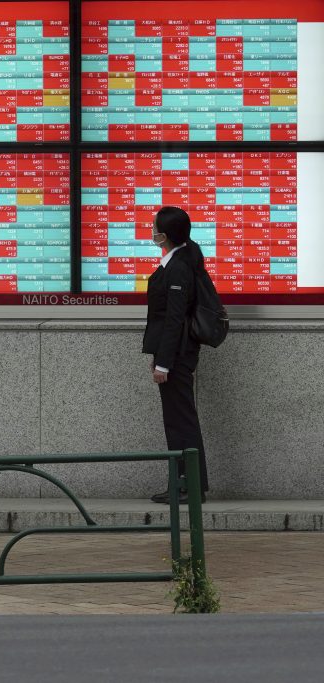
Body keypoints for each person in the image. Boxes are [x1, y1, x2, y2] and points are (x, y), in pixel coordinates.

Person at [142, 206, 209, 504]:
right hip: (172, 353)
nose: (151, 229)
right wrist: (158, 355)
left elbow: (174, 318)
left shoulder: (179, 266)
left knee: (181, 421)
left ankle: (189, 487)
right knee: (177, 419)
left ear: (164, 235)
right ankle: (184, 484)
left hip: (178, 355)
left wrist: (164, 362)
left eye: (154, 226)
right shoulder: (176, 260)